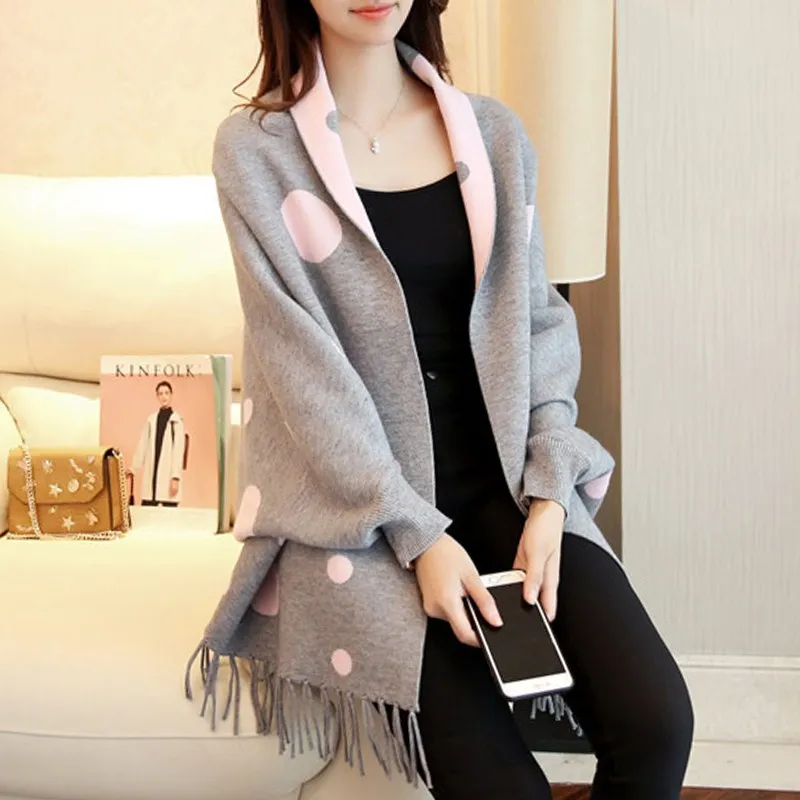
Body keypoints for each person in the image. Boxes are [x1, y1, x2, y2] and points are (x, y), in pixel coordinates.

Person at [205, 1, 694, 798]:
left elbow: (538, 325)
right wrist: (421, 539)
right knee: (501, 786)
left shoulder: (492, 133)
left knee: (657, 723)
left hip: (507, 487)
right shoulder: (257, 151)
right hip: (360, 514)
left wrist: (550, 497)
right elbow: (304, 375)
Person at [129, 381, 185, 507]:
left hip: (168, 474)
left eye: (166, 393)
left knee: (168, 510)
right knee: (148, 505)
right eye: (160, 393)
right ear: (157, 396)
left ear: (171, 395)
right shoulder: (151, 419)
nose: (164, 396)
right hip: (152, 472)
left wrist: (175, 477)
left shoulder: (176, 421)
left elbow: (178, 451)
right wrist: (134, 467)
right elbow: (143, 444)